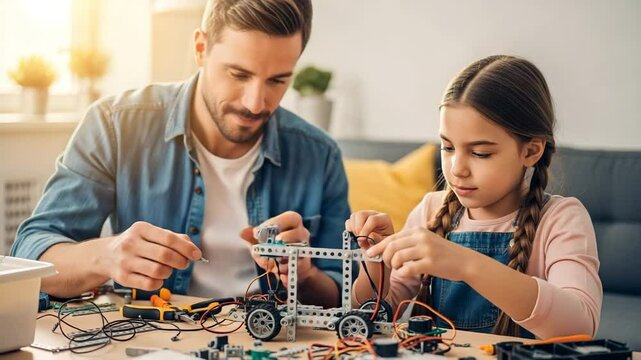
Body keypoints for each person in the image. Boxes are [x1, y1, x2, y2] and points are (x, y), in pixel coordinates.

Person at [11, 0, 349, 308]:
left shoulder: (320, 156)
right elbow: (30, 256)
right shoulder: (115, 125)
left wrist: (303, 275)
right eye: (238, 74)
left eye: (277, 81)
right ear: (201, 48)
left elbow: (342, 294)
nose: (255, 103)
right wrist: (107, 256)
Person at [346, 55, 602, 338]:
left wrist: (466, 265)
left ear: (530, 151)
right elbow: (376, 313)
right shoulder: (431, 209)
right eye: (447, 148)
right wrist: (373, 262)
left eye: (481, 153)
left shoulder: (560, 219)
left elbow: (580, 325)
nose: (457, 169)